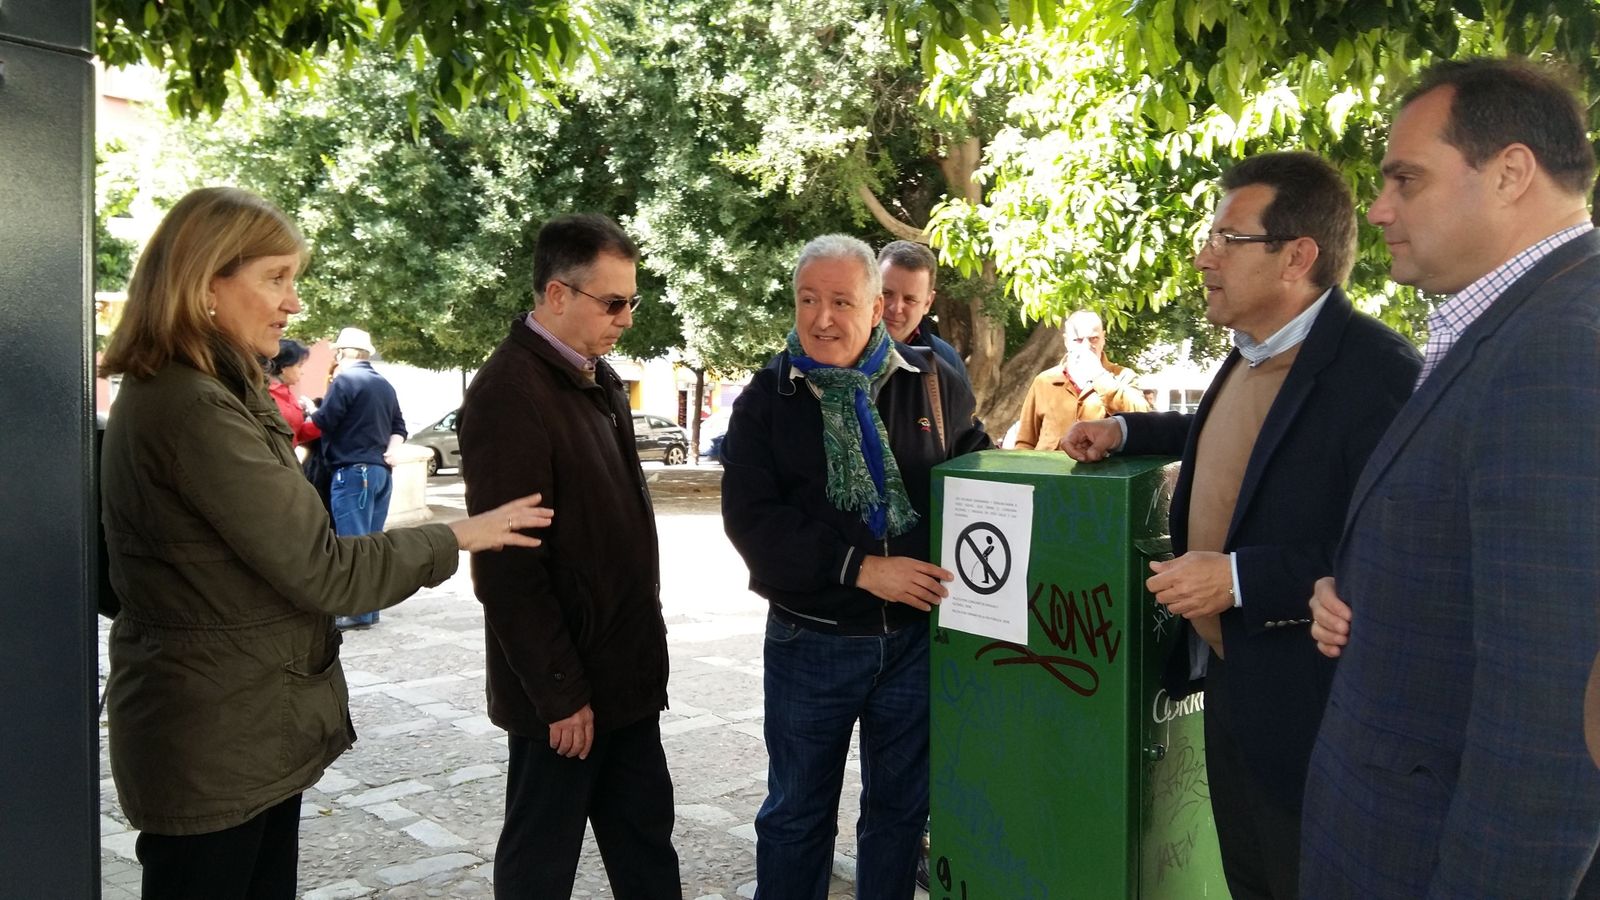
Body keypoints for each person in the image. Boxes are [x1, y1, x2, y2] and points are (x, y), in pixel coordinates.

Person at [96, 186, 552, 900]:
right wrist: (461, 533)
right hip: (216, 739)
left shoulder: (208, 390)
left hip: (236, 730)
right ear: (204, 283)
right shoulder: (193, 406)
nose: (293, 302)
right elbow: (327, 571)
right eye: (275, 278)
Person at [1062, 152, 1420, 900]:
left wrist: (1235, 578)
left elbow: (1402, 556)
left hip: (1311, 716)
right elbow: (1240, 441)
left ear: (1297, 257)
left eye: (1229, 239)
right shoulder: (1255, 354)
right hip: (1232, 690)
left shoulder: (1376, 373)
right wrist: (1126, 432)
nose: (1204, 257)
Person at [1300, 58, 1600, 897]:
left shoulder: (1564, 348)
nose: (1379, 207)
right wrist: (1362, 589)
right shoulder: (1516, 321)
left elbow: (1553, 724)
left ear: (1510, 173)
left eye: (1406, 179)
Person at [721, 234, 991, 900]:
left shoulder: (933, 379)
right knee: (796, 815)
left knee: (899, 815)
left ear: (877, 308)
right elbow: (754, 524)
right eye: (808, 299)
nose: (821, 318)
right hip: (810, 640)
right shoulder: (767, 398)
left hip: (913, 644)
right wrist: (862, 569)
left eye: (842, 301)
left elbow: (977, 468)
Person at [458, 213, 681, 898]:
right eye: (612, 303)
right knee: (540, 862)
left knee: (646, 847)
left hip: (623, 679)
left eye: (632, 302)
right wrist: (561, 695)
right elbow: (507, 568)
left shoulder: (597, 379)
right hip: (566, 696)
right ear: (557, 295)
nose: (625, 318)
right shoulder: (508, 394)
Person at [312, 325, 404, 629]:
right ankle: (370, 609)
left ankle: (358, 612)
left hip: (353, 472)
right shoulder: (384, 384)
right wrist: (389, 453)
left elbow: (326, 420)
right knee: (372, 545)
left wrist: (308, 411)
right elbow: (399, 428)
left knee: (353, 546)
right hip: (379, 473)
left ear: (343, 352)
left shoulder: (346, 380)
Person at [1013, 309, 1149, 450]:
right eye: (1078, 340)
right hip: (1050, 470)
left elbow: (1143, 421)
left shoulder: (1123, 377)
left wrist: (1100, 376)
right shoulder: (1044, 381)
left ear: (1103, 338)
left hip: (1103, 470)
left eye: (1093, 339)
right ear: (1066, 341)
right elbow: (1025, 442)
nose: (1086, 346)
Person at [878, 239, 966, 380]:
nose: (896, 308)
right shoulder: (835, 347)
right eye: (886, 293)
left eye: (909, 300)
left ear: (927, 303)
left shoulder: (947, 362)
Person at [266, 338, 320, 447]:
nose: (302, 372)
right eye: (299, 366)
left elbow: (296, 433)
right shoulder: (267, 394)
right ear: (284, 367)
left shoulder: (288, 395)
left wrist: (319, 420)